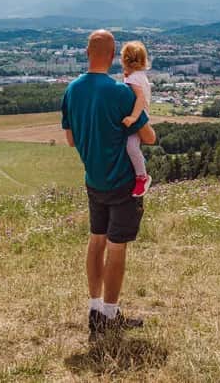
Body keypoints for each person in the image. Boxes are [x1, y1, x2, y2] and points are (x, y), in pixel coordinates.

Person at [61, 29, 157, 340]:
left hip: (93, 180)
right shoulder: (120, 93)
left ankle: (94, 308)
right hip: (122, 183)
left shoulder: (72, 91)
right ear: (114, 55)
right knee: (116, 249)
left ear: (87, 52)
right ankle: (111, 315)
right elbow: (147, 137)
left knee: (96, 241)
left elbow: (71, 139)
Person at [120, 40, 152, 197]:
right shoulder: (140, 76)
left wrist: (133, 117)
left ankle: (142, 177)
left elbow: (139, 98)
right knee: (132, 147)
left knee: (131, 147)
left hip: (138, 117)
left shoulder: (134, 79)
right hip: (142, 115)